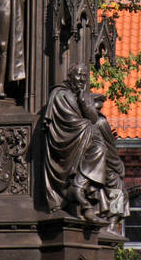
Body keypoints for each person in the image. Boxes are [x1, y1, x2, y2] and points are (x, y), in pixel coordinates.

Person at [43, 66, 126, 230]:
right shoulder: (91, 120)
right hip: (93, 158)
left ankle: (111, 223)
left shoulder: (98, 121)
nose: (98, 109)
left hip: (100, 161)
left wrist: (116, 166)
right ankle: (109, 222)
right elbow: (106, 147)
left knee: (116, 188)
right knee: (115, 186)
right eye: (96, 105)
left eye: (84, 76)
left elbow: (108, 146)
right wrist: (117, 166)